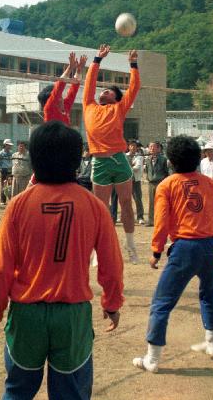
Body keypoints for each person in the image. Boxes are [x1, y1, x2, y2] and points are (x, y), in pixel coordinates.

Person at [0, 121, 124, 399]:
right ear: (78, 159)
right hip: (72, 317)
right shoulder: (94, 206)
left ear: (34, 159)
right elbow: (111, 266)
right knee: (71, 394)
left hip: (27, 315)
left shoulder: (18, 205)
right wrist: (112, 304)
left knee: (17, 392)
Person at [133, 135, 213, 373]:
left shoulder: (167, 184)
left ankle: (152, 359)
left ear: (171, 160)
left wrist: (156, 250)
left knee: (162, 302)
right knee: (209, 295)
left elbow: (161, 221)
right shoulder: (209, 183)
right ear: (197, 158)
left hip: (185, 246)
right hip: (210, 245)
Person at [83, 44, 141, 264]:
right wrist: (97, 59)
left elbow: (134, 87)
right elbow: (89, 83)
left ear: (116, 98)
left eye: (108, 90)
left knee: (126, 203)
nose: (103, 91)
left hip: (119, 159)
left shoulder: (119, 108)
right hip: (99, 161)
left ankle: (131, 243)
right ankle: (98, 249)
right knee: (101, 208)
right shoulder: (89, 104)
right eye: (103, 89)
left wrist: (133, 64)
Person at [38, 51, 84, 126]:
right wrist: (70, 67)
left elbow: (73, 90)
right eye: (57, 97)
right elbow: (59, 87)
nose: (60, 99)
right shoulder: (49, 109)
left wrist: (78, 70)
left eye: (61, 96)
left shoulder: (65, 106)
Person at [145, 141, 171, 227]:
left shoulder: (163, 159)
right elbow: (147, 170)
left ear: (158, 148)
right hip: (151, 183)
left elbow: (167, 172)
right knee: (151, 202)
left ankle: (161, 220)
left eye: (154, 147)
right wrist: (148, 178)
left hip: (160, 183)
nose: (152, 149)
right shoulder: (148, 159)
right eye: (150, 147)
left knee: (161, 202)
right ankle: (151, 220)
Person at [129, 141, 145, 225]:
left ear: (137, 147)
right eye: (131, 146)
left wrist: (128, 167)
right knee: (126, 199)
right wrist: (131, 166)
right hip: (126, 181)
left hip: (136, 180)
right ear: (129, 147)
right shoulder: (125, 155)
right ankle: (128, 216)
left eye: (134, 146)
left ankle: (140, 217)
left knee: (138, 199)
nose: (133, 147)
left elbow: (137, 167)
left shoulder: (139, 156)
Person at [0, 139, 13, 204]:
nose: (10, 146)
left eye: (10, 145)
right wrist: (0, 171)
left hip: (10, 171)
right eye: (9, 145)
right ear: (5, 145)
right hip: (4, 171)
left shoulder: (11, 153)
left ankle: (11, 199)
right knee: (4, 186)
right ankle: (3, 200)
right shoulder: (0, 154)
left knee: (11, 186)